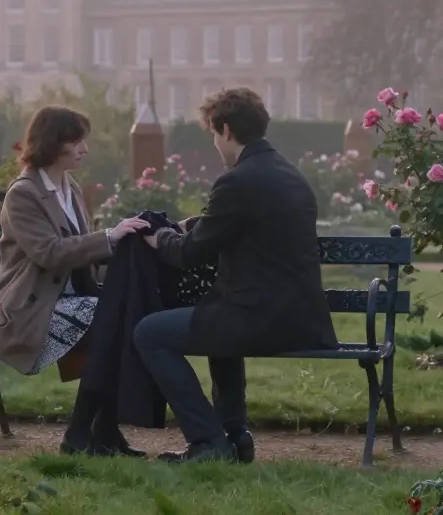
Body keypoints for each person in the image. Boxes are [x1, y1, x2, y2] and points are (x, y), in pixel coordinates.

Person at [134, 87, 338, 464]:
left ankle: (209, 441)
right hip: (301, 318)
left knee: (150, 333)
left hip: (261, 318)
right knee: (214, 320)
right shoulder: (288, 175)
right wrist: (193, 225)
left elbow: (190, 254)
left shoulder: (238, 180)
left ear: (226, 130)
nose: (215, 143)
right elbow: (241, 226)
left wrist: (156, 236)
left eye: (213, 134)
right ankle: (234, 436)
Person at [0, 105, 149, 456]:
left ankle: (96, 432)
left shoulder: (69, 186)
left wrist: (130, 245)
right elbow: (50, 253)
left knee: (124, 322)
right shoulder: (24, 193)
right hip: (31, 311)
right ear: (52, 142)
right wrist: (109, 236)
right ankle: (85, 433)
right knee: (114, 327)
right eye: (76, 141)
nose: (84, 149)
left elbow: (82, 251)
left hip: (75, 302)